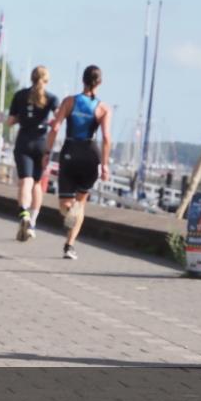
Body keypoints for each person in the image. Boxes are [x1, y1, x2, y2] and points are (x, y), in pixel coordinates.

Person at [45, 65, 112, 260]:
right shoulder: (103, 108)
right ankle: (70, 245)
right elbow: (107, 138)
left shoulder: (69, 102)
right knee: (81, 202)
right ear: (100, 83)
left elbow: (55, 128)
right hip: (91, 155)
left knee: (65, 205)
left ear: (82, 80)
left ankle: (69, 215)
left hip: (70, 152)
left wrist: (47, 153)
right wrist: (105, 165)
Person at [7, 66, 59, 241]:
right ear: (47, 80)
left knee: (25, 181)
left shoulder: (20, 95)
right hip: (41, 143)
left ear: (31, 78)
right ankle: (33, 223)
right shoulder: (51, 98)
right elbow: (58, 120)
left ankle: (24, 214)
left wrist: (22, 117)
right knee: (37, 183)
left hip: (24, 142)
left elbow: (10, 121)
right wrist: (50, 123)